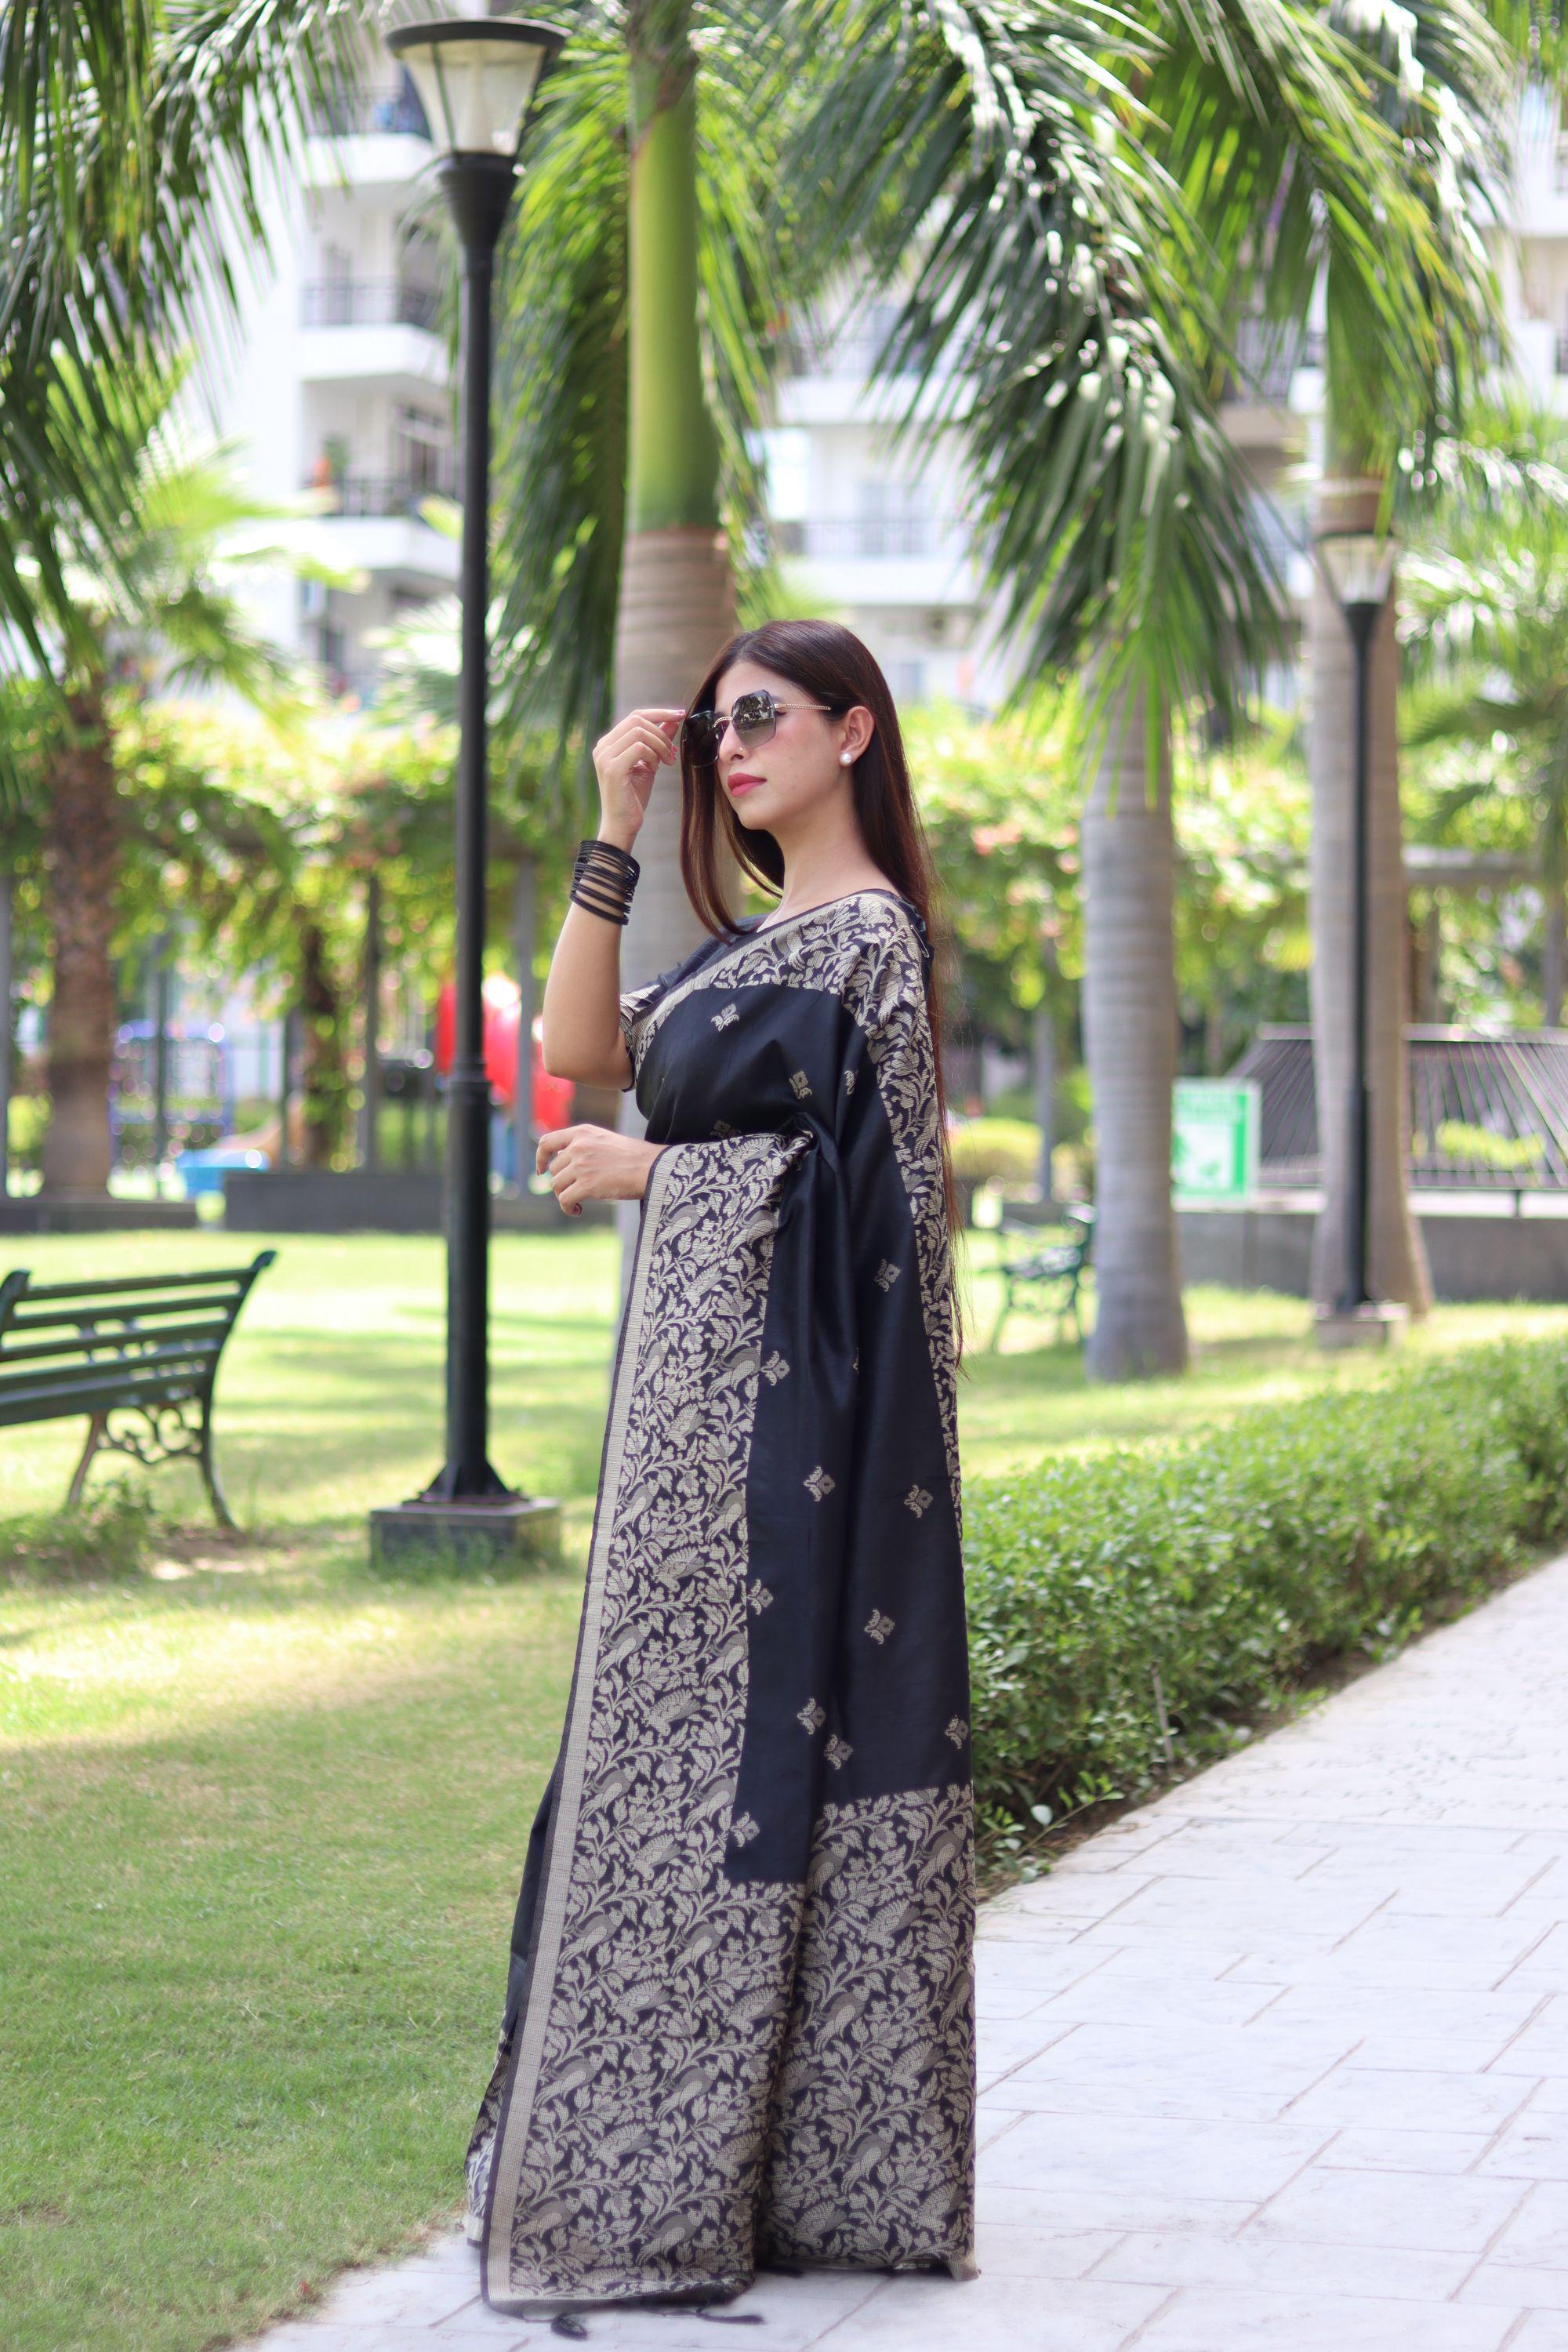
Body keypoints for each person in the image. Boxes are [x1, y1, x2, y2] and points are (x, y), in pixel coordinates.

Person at [463, 617, 978, 2319]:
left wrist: (649, 1182)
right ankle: (657, 2166)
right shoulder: (761, 942)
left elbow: (878, 1203)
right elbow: (580, 1052)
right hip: (684, 1430)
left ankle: (704, 2187)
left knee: (734, 1781)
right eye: (713, 728)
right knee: (658, 1776)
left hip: (787, 1447)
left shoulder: (869, 944)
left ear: (852, 731)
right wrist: (615, 829)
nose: (731, 748)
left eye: (761, 720)